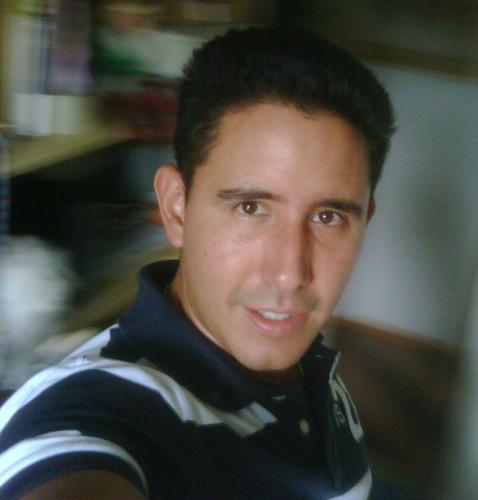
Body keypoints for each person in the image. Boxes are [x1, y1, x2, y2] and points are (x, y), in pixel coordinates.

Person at [0, 27, 394, 499]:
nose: (291, 274)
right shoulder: (101, 412)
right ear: (176, 208)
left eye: (328, 217)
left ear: (364, 220)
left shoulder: (308, 363)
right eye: (250, 207)